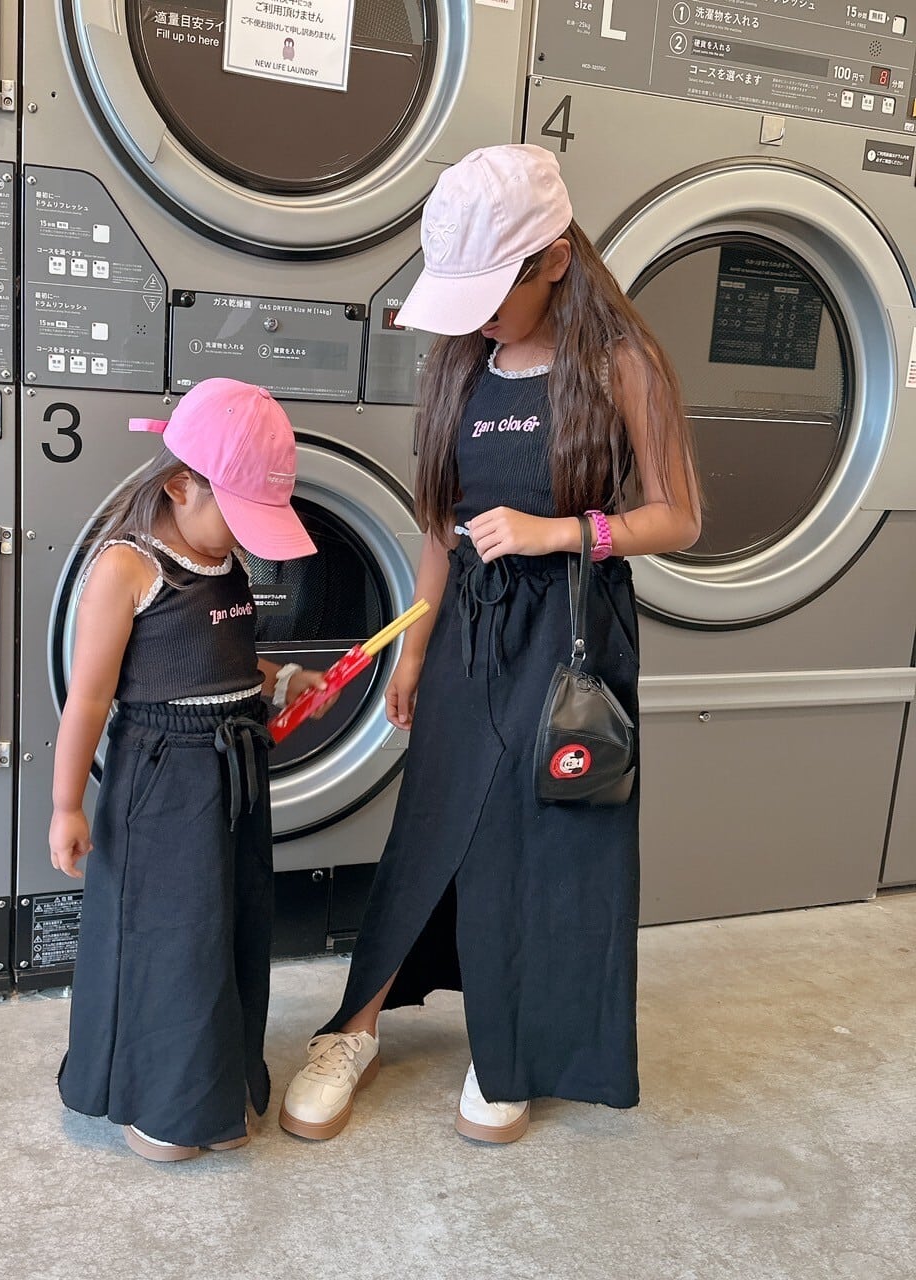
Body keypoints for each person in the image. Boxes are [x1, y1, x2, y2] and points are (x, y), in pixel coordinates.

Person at [279, 144, 701, 1145]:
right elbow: (442, 521)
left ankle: (509, 1046)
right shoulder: (462, 361)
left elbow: (678, 518)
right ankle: (353, 1028)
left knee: (547, 838)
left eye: (491, 292)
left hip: (573, 630)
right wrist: (415, 646)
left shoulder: (622, 366)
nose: (474, 316)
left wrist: (562, 532)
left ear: (553, 260)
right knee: (433, 820)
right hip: (469, 622)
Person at [52, 377, 335, 1163]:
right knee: (168, 936)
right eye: (237, 515)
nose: (245, 538)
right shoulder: (128, 567)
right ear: (181, 486)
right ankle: (160, 1101)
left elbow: (224, 659)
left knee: (225, 927)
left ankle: (211, 1087)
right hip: (163, 777)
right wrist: (66, 805)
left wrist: (283, 679)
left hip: (232, 773)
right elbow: (89, 698)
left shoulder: (224, 559)